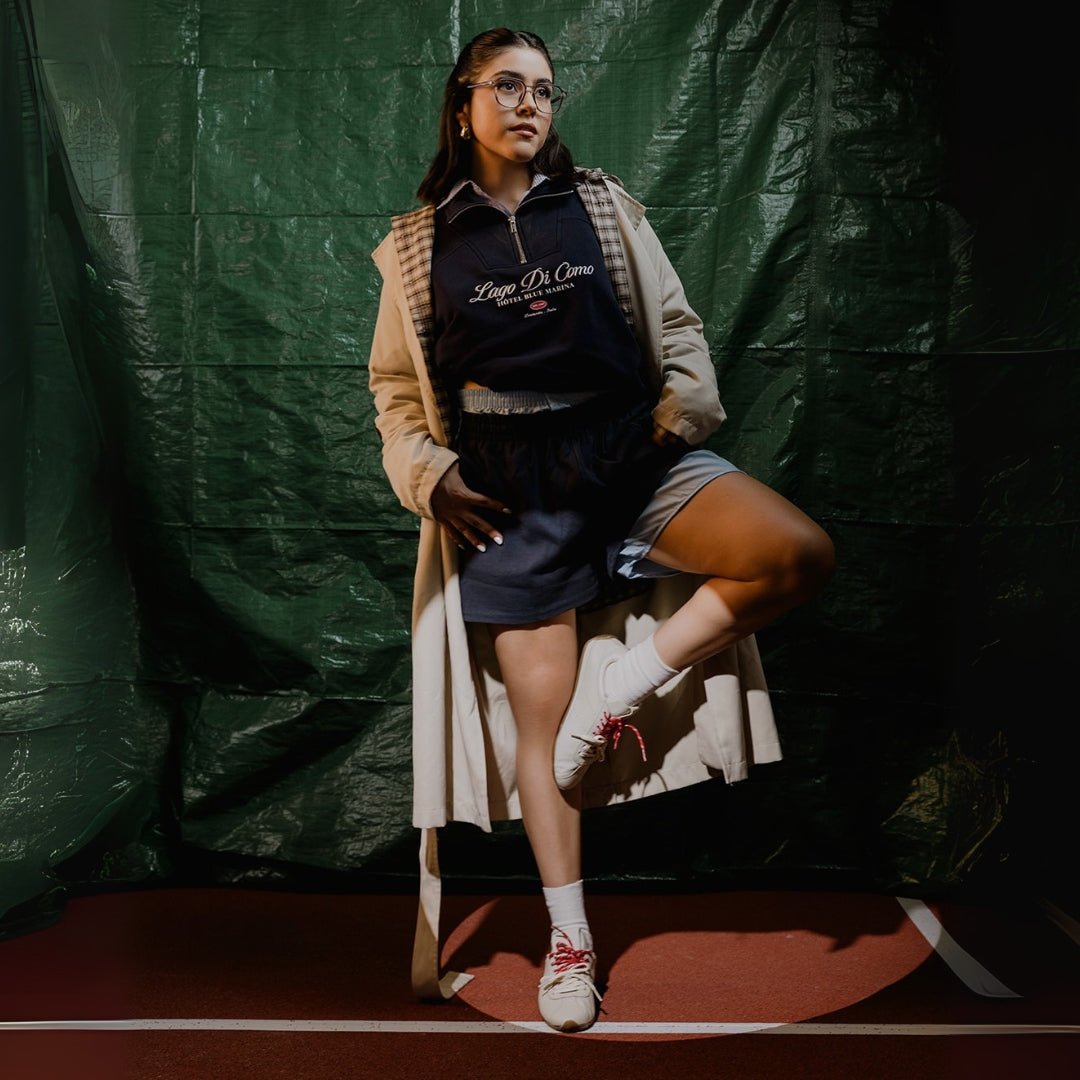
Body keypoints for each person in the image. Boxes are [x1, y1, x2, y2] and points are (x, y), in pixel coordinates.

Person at [368, 27, 834, 1032]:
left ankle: (619, 685)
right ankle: (570, 943)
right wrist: (431, 476)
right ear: (463, 105)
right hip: (510, 493)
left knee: (795, 553)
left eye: (544, 89)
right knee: (544, 741)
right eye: (507, 86)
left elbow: (680, 332)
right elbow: (396, 394)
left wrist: (671, 424)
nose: (529, 104)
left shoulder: (604, 206)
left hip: (629, 456)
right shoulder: (416, 244)